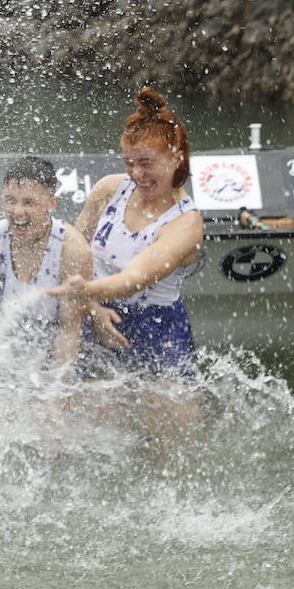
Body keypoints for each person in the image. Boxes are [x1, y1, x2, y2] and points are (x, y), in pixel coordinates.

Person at [55, 87, 204, 383]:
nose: (137, 174)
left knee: (172, 428)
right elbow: (71, 253)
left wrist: (84, 292)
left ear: (177, 158)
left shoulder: (186, 223)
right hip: (96, 318)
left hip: (158, 332)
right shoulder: (108, 190)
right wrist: (93, 307)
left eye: (146, 163)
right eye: (129, 162)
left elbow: (133, 279)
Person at [0, 156, 92, 370]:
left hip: (57, 338)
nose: (17, 212)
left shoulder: (72, 250)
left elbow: (69, 332)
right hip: (7, 341)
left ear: (52, 203)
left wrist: (55, 394)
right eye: (10, 200)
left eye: (29, 202)